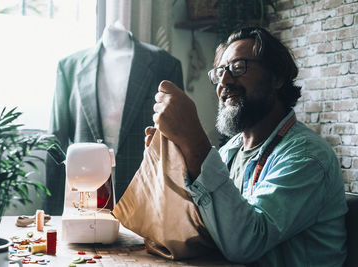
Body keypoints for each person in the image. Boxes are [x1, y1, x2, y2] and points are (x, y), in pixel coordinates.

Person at [145, 26, 347, 266]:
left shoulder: (307, 157)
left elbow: (245, 242)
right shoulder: (231, 150)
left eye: (239, 67)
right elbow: (202, 225)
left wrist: (194, 142)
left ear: (277, 77)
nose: (225, 81)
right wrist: (174, 162)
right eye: (220, 72)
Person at [45, 21, 183, 215]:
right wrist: (52, 210)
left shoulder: (165, 64)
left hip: (146, 193)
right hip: (85, 194)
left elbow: (176, 138)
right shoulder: (69, 67)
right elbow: (56, 140)